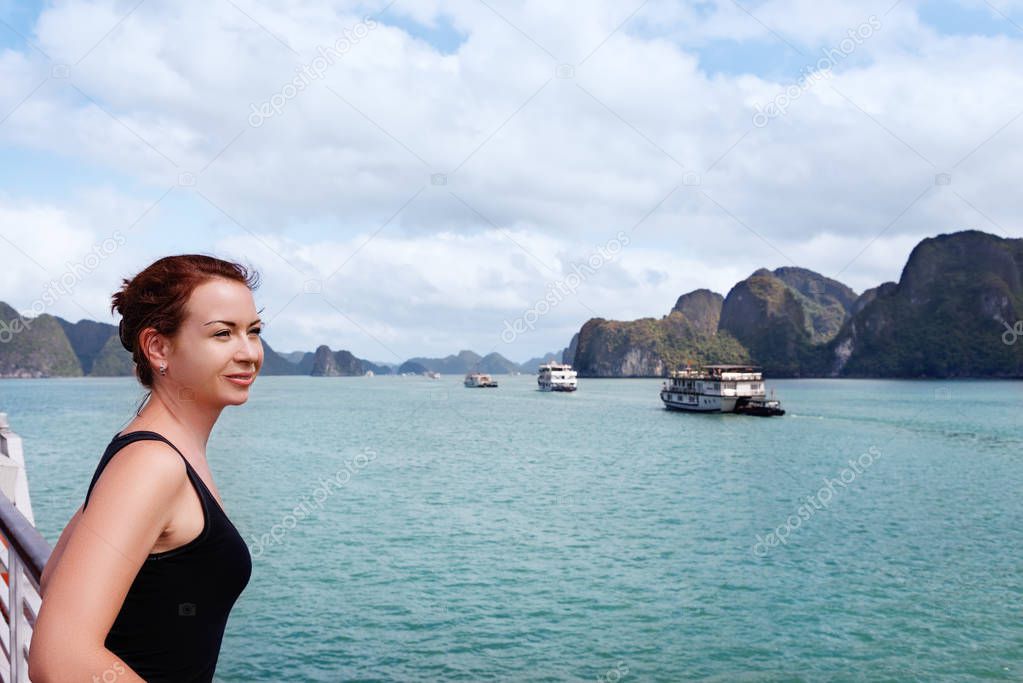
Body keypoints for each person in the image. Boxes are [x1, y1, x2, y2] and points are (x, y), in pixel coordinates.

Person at [29, 254, 264, 682]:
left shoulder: (151, 450)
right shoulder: (152, 464)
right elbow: (57, 660)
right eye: (223, 334)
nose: (248, 352)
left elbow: (52, 578)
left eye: (254, 331)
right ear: (158, 348)